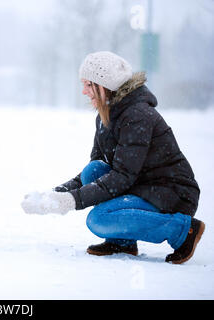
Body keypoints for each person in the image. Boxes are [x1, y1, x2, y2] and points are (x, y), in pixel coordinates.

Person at [21, 51, 204, 264]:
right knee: (94, 170)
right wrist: (53, 195)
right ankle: (122, 242)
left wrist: (71, 201)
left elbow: (122, 177)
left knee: (99, 220)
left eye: (89, 85)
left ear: (105, 85)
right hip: (142, 185)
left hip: (171, 191)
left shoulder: (137, 115)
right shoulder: (105, 115)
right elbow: (97, 170)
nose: (83, 91)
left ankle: (183, 229)